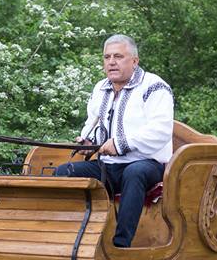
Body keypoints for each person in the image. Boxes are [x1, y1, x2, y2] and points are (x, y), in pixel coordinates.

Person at [55, 34, 174, 248]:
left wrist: (119, 144)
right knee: (65, 172)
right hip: (108, 166)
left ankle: (121, 245)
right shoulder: (101, 88)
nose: (111, 62)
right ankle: (70, 241)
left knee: (134, 173)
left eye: (118, 56)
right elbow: (92, 123)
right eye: (107, 57)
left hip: (147, 164)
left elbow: (160, 131)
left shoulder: (154, 86)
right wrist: (87, 142)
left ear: (134, 61)